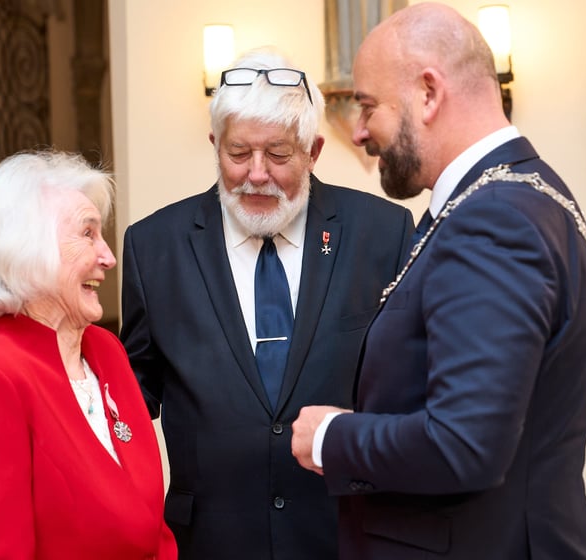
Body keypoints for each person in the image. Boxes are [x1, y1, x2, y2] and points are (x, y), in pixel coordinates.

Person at [291, 3, 586, 559]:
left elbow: (465, 443)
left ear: (428, 94)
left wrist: (332, 437)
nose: (360, 132)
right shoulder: (516, 194)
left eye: (368, 106)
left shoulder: (493, 218)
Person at [120, 47, 414, 560]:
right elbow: (133, 394)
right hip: (209, 539)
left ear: (313, 150)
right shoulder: (152, 247)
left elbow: (409, 387)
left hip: (346, 534)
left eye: (278, 155)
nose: (256, 174)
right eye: (238, 154)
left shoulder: (382, 234)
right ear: (215, 145)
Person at [0, 150, 177, 560]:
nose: (108, 257)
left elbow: (152, 527)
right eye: (87, 234)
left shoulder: (105, 350)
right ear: (27, 250)